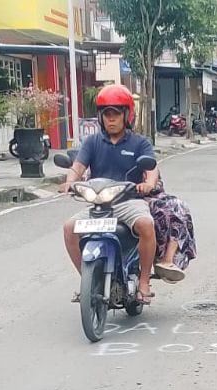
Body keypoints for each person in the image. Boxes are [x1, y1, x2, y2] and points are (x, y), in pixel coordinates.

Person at [60, 84, 159, 305]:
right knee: (69, 229)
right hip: (98, 204)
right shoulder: (93, 142)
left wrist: (148, 184)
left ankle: (144, 282)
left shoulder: (139, 143)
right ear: (100, 117)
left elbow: (151, 169)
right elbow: (78, 166)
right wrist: (69, 182)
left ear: (126, 115)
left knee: (146, 224)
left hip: (128, 201)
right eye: (107, 115)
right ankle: (88, 282)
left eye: (116, 114)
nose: (111, 120)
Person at [145, 182, 196, 282]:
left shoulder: (145, 167)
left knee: (177, 206)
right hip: (123, 198)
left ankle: (168, 260)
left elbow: (151, 175)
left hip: (149, 194)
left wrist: (147, 185)